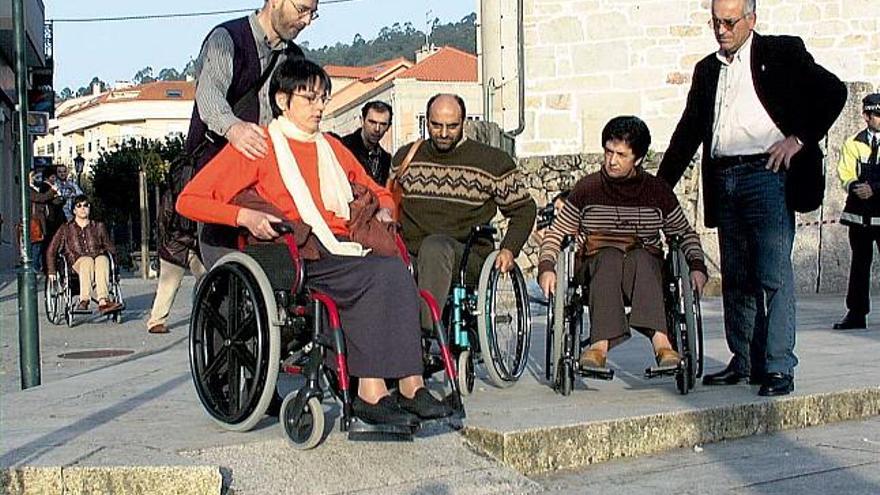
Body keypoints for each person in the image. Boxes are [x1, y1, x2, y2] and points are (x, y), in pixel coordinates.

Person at [177, 58, 452, 427]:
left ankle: (411, 385)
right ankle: (371, 392)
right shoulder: (259, 146)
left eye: (323, 98)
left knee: (398, 270)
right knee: (377, 273)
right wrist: (244, 217)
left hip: (343, 243)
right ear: (282, 100)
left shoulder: (331, 148)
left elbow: (377, 190)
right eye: (310, 99)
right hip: (300, 251)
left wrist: (385, 208)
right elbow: (188, 200)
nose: (320, 107)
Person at [657, 0, 846, 396]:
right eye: (715, 22)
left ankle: (778, 366)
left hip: (768, 174)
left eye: (728, 22)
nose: (721, 30)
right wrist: (658, 189)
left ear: (751, 20)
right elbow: (688, 131)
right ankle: (744, 359)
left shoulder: (781, 52)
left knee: (773, 274)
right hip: (724, 176)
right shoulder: (707, 71)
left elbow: (833, 92)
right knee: (737, 276)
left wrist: (798, 139)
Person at [538, 116, 708, 370]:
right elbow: (557, 233)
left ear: (637, 159)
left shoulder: (657, 191)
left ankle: (663, 344)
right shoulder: (588, 188)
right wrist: (547, 267)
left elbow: (684, 233)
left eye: (620, 154)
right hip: (597, 264)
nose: (612, 160)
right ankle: (599, 346)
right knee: (609, 257)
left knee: (642, 258)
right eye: (608, 152)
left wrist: (696, 265)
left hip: (643, 266)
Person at [186, 0, 314, 267]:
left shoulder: (294, 57)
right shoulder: (227, 38)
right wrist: (234, 128)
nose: (307, 20)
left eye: (313, 13)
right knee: (227, 274)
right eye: (302, 9)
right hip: (219, 177)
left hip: (267, 184)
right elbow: (209, 95)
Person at [392, 94, 536, 325]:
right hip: (411, 256)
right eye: (436, 125)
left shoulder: (492, 162)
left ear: (464, 122)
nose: (443, 133)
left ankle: (427, 336)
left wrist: (509, 249)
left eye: (452, 126)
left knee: (435, 247)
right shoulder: (406, 158)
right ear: (426, 121)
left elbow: (524, 210)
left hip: (467, 257)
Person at [833, 93, 880, 331]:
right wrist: (854, 186)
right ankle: (856, 313)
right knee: (860, 265)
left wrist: (874, 188)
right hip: (859, 213)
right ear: (866, 116)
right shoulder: (853, 143)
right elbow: (845, 172)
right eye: (877, 114)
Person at [46, 195, 122, 314]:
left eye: (86, 205)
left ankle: (103, 301)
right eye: (79, 206)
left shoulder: (98, 226)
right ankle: (84, 300)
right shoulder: (66, 228)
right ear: (74, 210)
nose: (83, 208)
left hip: (97, 261)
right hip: (76, 264)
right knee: (87, 260)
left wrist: (115, 269)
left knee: (102, 259)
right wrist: (51, 271)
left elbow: (110, 248)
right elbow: (51, 250)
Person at [338, 101, 393, 185]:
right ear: (362, 120)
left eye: (382, 124)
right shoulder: (343, 147)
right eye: (372, 122)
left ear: (388, 127)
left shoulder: (386, 159)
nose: (377, 129)